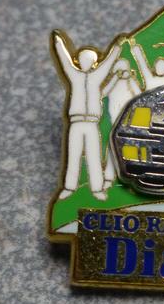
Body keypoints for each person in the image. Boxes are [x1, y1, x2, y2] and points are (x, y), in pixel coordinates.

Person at [52, 30, 120, 201]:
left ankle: (97, 189)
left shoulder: (97, 77)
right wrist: (58, 43)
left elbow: (109, 62)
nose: (86, 62)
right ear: (78, 61)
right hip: (75, 122)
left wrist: (117, 47)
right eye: (83, 59)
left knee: (93, 156)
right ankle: (69, 187)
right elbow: (64, 60)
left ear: (94, 63)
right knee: (73, 155)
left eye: (89, 60)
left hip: (92, 123)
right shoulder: (74, 76)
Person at [101, 58, 142, 189]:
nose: (123, 72)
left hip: (130, 120)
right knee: (114, 147)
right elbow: (103, 92)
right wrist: (115, 78)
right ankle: (109, 176)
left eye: (125, 69)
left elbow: (139, 96)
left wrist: (130, 79)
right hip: (115, 118)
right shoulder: (113, 83)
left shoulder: (131, 82)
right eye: (119, 70)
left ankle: (134, 169)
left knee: (131, 146)